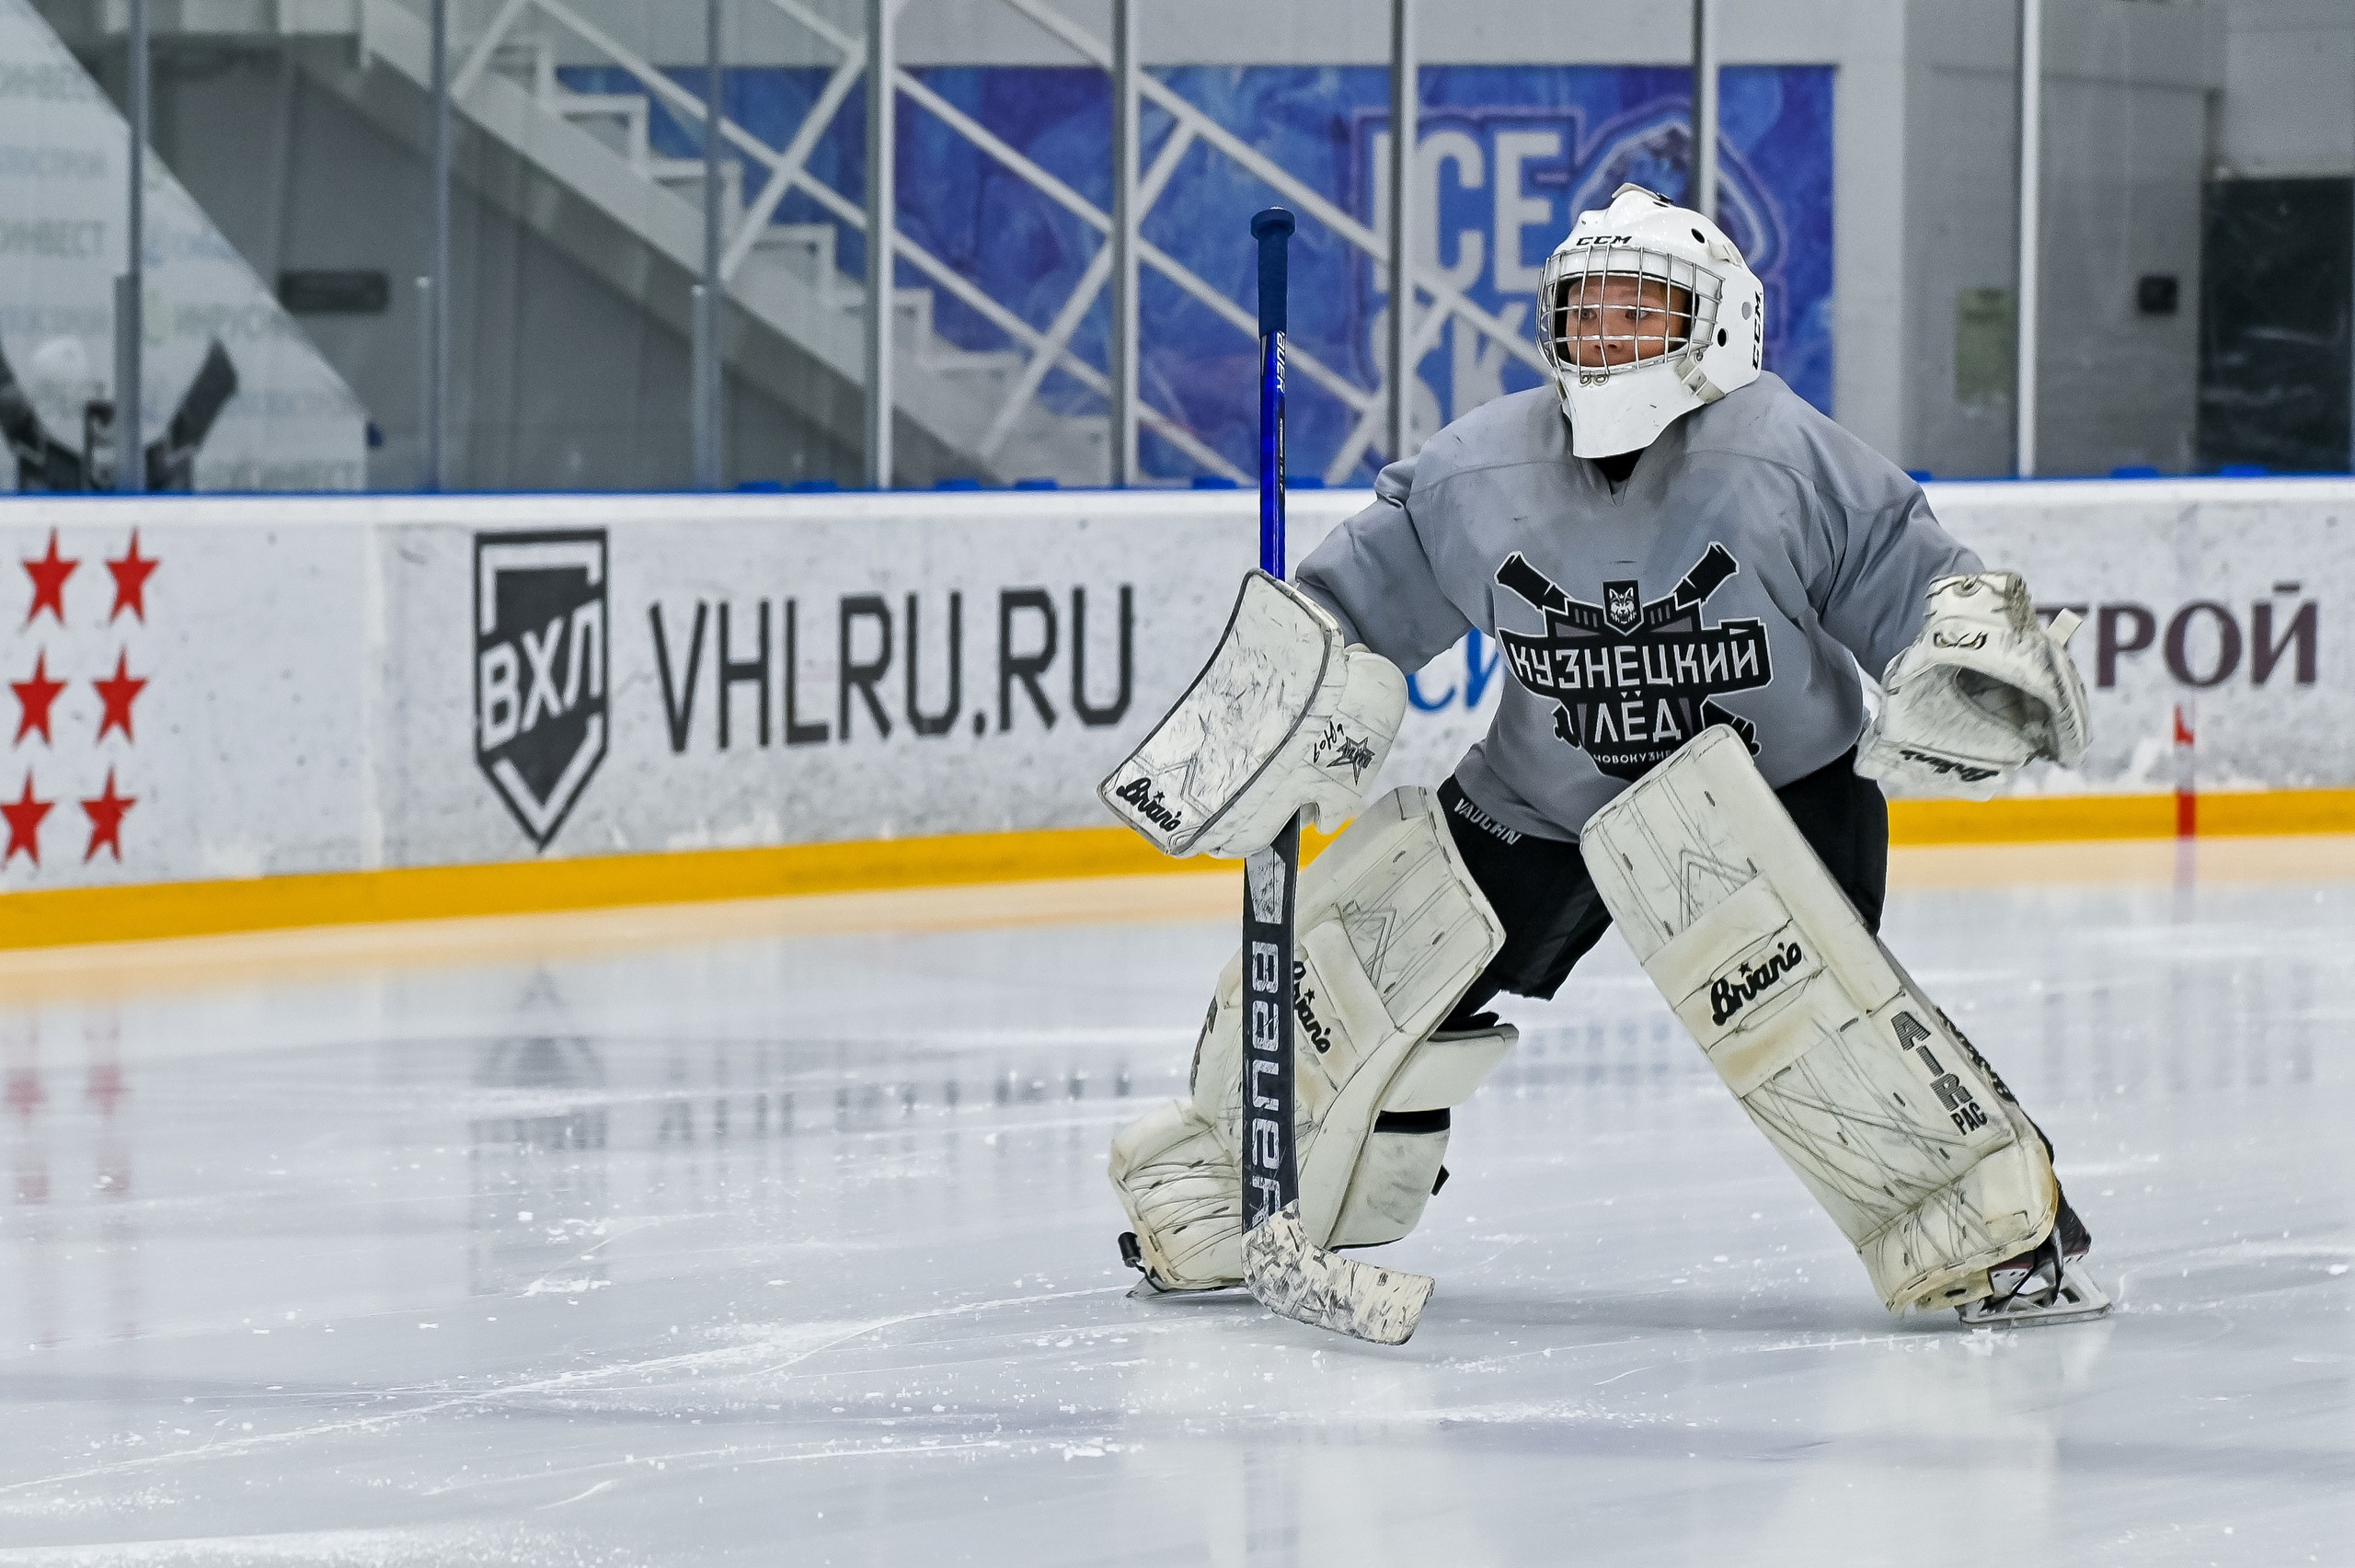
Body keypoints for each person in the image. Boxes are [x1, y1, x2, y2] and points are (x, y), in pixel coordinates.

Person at [1099, 184, 2102, 1326]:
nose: (1606, 338)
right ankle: (1240, 1194)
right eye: (1586, 312)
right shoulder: (1479, 470)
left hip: (1771, 797)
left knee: (1821, 1030)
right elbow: (1352, 610)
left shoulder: (1783, 456)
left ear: (1720, 325)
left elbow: (1918, 581)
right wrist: (1294, 692)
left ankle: (2000, 1233)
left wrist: (1962, 663)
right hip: (1542, 795)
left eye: (1639, 311)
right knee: (1347, 976)